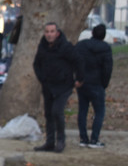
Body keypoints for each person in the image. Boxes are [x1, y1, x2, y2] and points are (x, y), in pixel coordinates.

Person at [32, 22, 84, 153]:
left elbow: (78, 61)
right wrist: (41, 78)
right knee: (49, 114)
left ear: (57, 33)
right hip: (48, 85)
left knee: (57, 111)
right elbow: (36, 63)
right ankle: (49, 142)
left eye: (52, 31)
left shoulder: (65, 47)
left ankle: (61, 141)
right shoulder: (42, 47)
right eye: (47, 32)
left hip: (63, 85)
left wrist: (79, 78)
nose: (49, 34)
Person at [75, 24, 114, 148]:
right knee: (99, 112)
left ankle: (83, 138)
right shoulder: (105, 48)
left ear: (92, 33)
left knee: (82, 110)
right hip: (97, 83)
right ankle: (94, 139)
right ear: (103, 35)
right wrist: (104, 83)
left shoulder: (81, 45)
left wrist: (77, 78)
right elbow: (108, 68)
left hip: (82, 83)